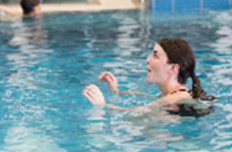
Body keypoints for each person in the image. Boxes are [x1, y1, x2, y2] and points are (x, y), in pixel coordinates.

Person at [83, 38, 216, 111]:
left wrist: (102, 105)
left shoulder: (174, 98)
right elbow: (145, 96)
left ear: (173, 68)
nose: (148, 59)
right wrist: (115, 91)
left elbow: (136, 114)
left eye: (155, 56)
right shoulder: (173, 94)